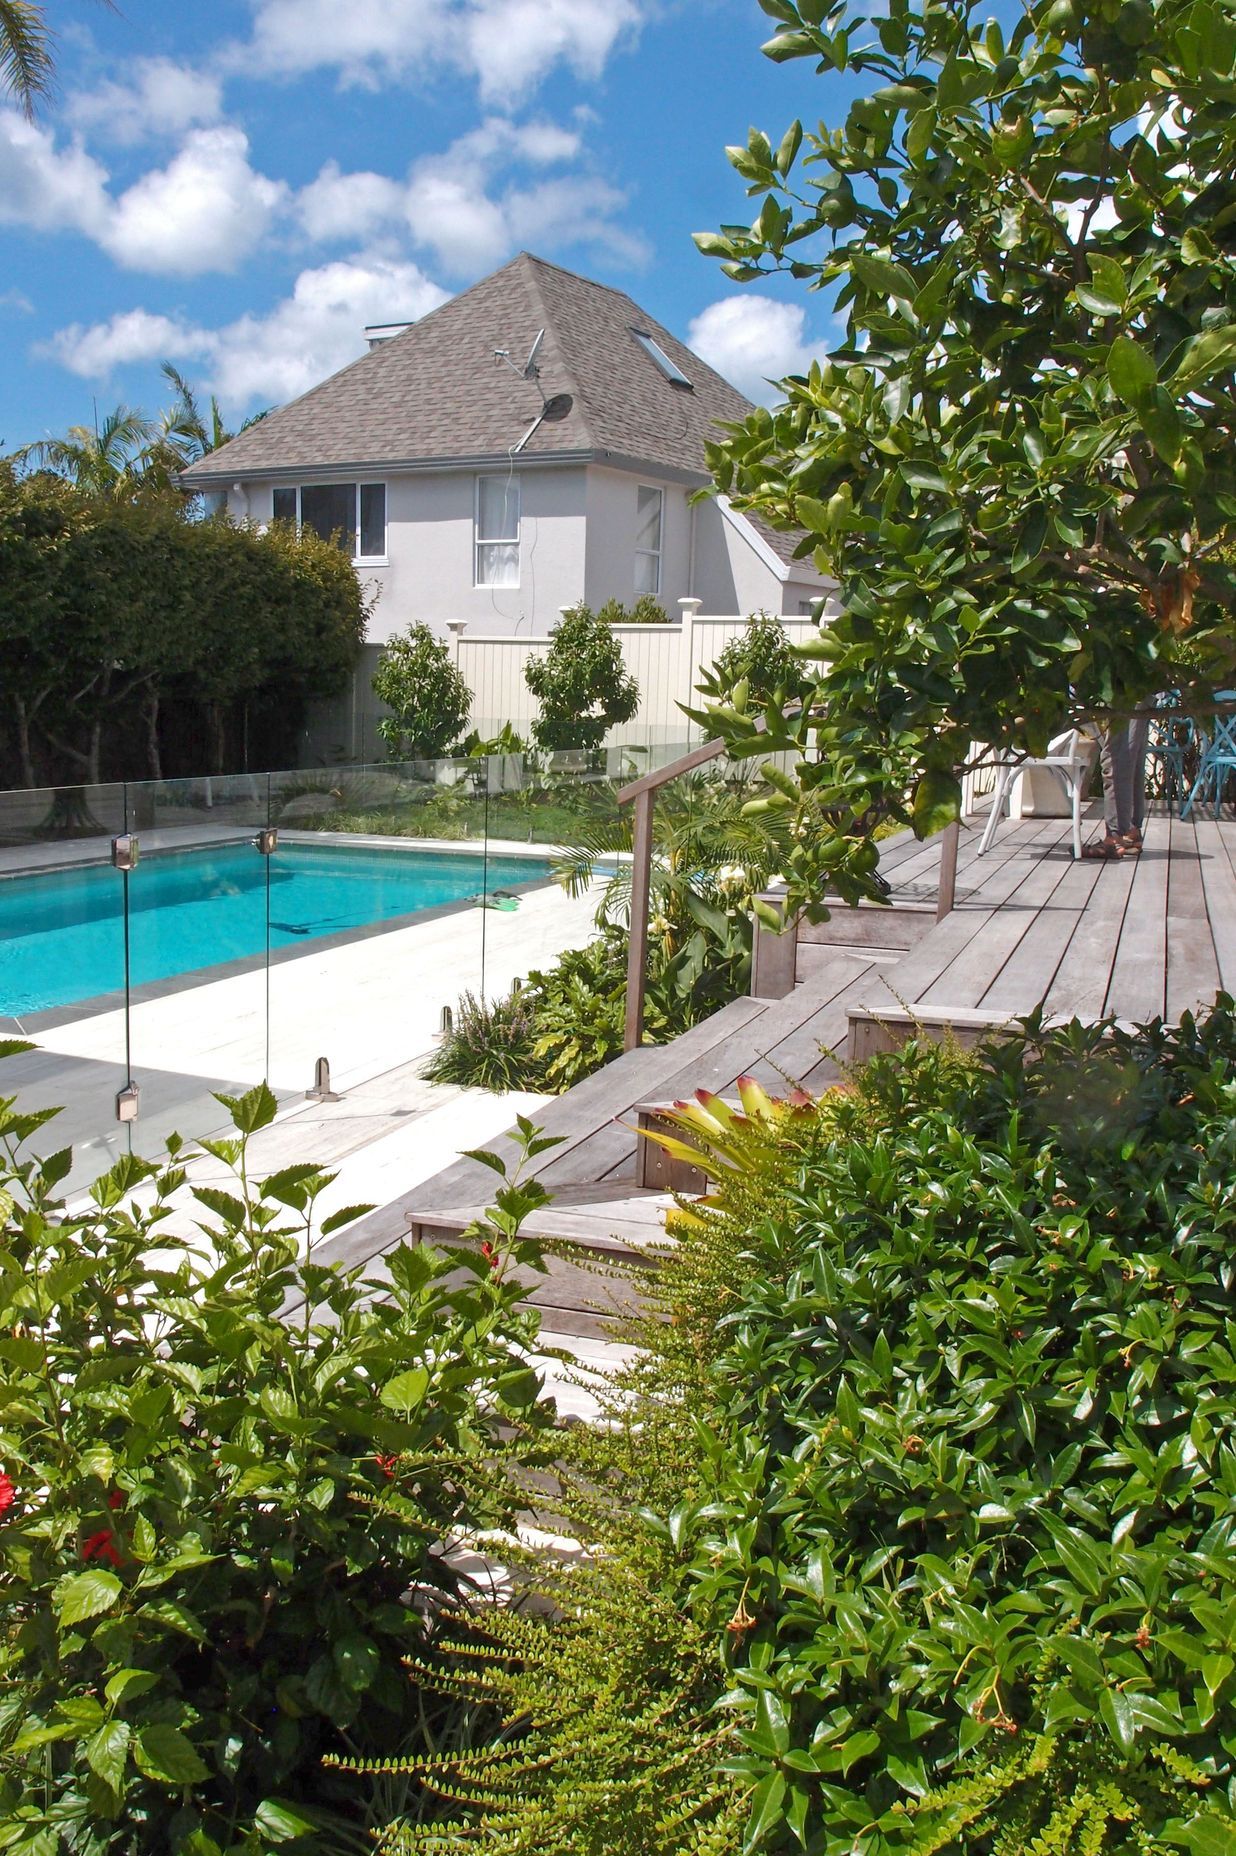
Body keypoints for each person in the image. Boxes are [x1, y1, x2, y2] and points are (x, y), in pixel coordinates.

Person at [1084, 707, 1151, 858]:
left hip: (1126, 691)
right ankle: (1130, 833)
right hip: (1144, 690)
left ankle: (1114, 840)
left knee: (1116, 758)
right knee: (1131, 756)